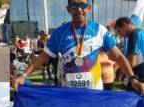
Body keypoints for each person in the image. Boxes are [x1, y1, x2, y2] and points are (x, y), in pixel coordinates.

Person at [12, 0, 144, 95]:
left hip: (94, 93)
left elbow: (119, 57)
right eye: (74, 5)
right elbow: (42, 57)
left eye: (83, 5)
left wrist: (133, 79)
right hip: (68, 94)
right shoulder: (59, 32)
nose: (79, 9)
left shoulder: (100, 30)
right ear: (68, 9)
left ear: (89, 8)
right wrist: (23, 75)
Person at [114, 17, 144, 90]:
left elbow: (131, 63)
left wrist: (119, 67)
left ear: (125, 25)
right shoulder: (141, 32)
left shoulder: (133, 35)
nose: (119, 35)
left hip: (140, 72)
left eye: (119, 31)